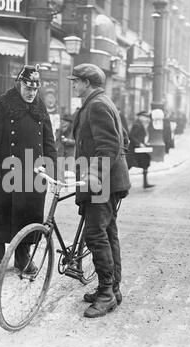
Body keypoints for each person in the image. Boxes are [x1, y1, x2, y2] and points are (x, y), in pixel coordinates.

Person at [0, 64, 57, 278]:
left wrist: (51, 173)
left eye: (35, 89)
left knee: (29, 215)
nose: (31, 93)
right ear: (19, 84)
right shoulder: (3, 107)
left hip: (33, 174)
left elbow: (49, 142)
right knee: (0, 213)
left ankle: (23, 256)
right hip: (5, 173)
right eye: (27, 87)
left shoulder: (40, 108)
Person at [67, 63, 131, 318]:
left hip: (103, 183)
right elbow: (123, 138)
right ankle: (112, 288)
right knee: (107, 231)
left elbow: (110, 145)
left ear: (87, 82)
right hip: (108, 180)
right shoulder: (97, 102)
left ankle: (106, 294)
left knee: (95, 234)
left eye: (76, 80)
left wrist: (93, 177)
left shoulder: (97, 105)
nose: (73, 84)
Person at [127, 111, 155, 189]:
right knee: (128, 166)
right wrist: (139, 144)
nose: (146, 118)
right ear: (140, 116)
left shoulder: (140, 123)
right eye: (145, 117)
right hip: (134, 149)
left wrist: (144, 143)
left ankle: (145, 183)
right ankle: (121, 182)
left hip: (139, 149)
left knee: (145, 162)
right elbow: (131, 136)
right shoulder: (137, 124)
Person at [55, 113, 75, 181]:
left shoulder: (73, 131)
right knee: (60, 174)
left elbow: (76, 142)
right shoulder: (58, 131)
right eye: (62, 121)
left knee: (69, 174)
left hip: (69, 155)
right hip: (60, 155)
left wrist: (67, 141)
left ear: (69, 123)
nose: (62, 122)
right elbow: (56, 142)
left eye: (65, 121)